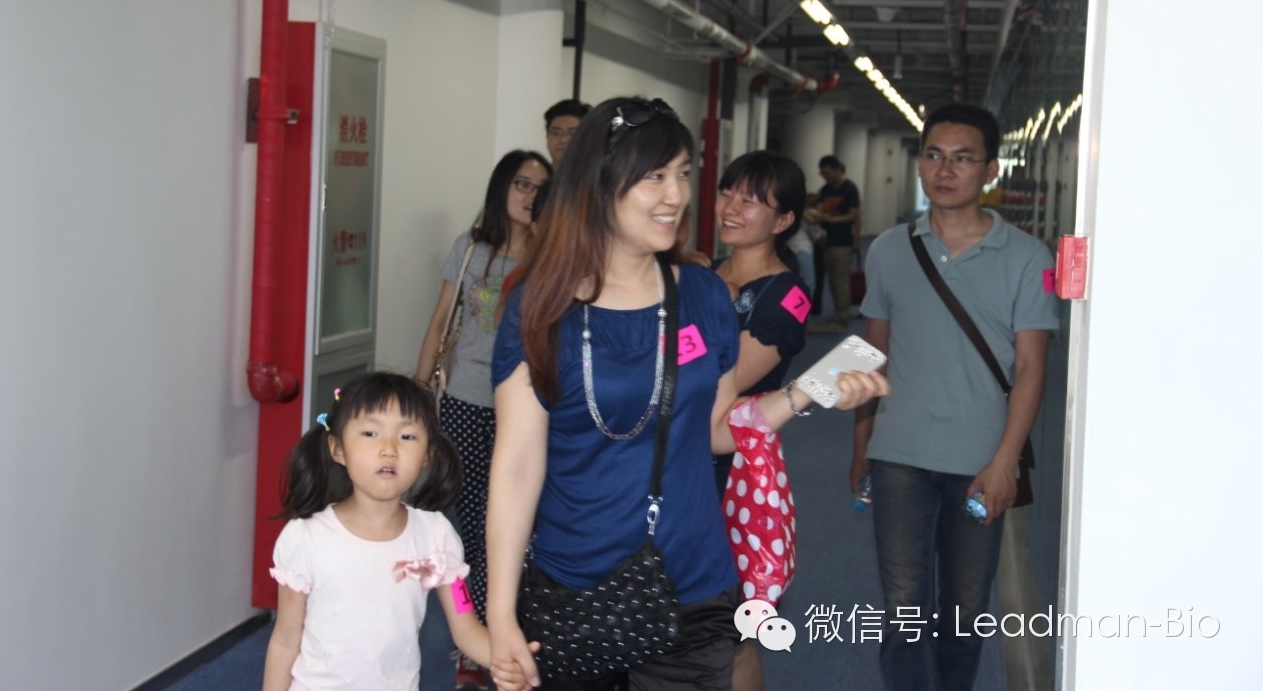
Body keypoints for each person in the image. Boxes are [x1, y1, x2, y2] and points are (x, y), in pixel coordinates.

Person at [486, 96, 889, 691]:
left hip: (694, 581)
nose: (675, 195)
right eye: (653, 177)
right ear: (597, 183)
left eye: (681, 173)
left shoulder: (702, 294)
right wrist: (499, 615)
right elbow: (517, 465)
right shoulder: (541, 306)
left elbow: (717, 430)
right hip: (574, 579)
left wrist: (814, 388)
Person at [849, 103, 1059, 691]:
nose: (945, 170)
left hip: (979, 462)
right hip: (898, 457)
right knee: (903, 607)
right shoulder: (888, 249)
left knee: (965, 610)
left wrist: (1005, 462)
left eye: (963, 159)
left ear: (990, 171)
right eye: (935, 156)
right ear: (920, 164)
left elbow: (1031, 367)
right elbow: (871, 355)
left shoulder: (1028, 257)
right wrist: (861, 445)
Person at [261, 373, 534, 691]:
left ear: (427, 454)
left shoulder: (435, 537)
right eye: (370, 433)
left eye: (407, 436)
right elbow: (285, 641)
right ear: (338, 448)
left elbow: (466, 628)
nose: (388, 449)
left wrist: (507, 662)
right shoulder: (306, 537)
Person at [415, 150, 550, 689]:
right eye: (521, 184)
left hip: (529, 410)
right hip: (467, 403)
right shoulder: (471, 249)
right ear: (501, 188)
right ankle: (474, 643)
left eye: (540, 187)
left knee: (519, 526)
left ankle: (510, 631)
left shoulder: (552, 254)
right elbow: (439, 322)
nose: (530, 196)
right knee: (470, 525)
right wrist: (419, 401)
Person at [711, 150, 810, 691]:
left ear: (783, 220)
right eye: (728, 192)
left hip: (733, 471)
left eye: (751, 200)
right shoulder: (703, 272)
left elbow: (724, 382)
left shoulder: (786, 295)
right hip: (671, 463)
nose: (732, 207)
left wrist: (712, 309)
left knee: (732, 631)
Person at [806, 155, 861, 332]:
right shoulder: (826, 189)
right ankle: (838, 311)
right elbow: (818, 207)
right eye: (822, 173)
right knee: (832, 279)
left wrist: (833, 220)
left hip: (842, 241)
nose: (825, 177)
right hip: (826, 241)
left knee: (841, 280)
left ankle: (842, 316)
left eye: (828, 173)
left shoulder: (849, 188)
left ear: (838, 170)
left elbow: (854, 215)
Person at [543, 99, 590, 167]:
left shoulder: (598, 173)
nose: (563, 140)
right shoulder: (538, 173)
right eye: (556, 133)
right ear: (547, 138)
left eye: (572, 134)